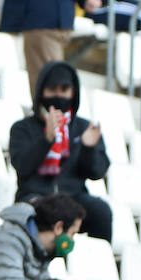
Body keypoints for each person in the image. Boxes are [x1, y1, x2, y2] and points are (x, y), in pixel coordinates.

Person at [10, 62, 112, 242]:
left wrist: (88, 148)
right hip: (35, 197)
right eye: (52, 89)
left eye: (64, 89)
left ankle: (100, 266)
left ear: (74, 93)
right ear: (41, 92)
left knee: (100, 211)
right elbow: (22, 166)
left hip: (73, 198)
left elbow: (97, 172)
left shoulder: (84, 128)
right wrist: (46, 139)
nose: (58, 95)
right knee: (30, 212)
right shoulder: (22, 128)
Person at [0, 0, 77, 94]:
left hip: (62, 20)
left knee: (52, 82)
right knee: (52, 85)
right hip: (42, 20)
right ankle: (49, 107)